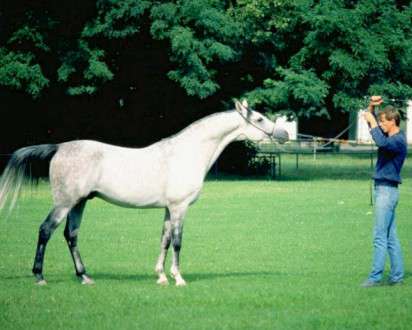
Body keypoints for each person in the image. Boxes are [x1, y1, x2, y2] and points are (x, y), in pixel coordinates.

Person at [361, 95, 407, 287]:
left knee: (379, 236)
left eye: (383, 122)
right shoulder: (391, 136)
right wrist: (371, 107)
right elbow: (375, 130)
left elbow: (380, 142)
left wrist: (372, 122)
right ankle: (397, 276)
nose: (381, 125)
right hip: (385, 191)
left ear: (393, 120)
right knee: (390, 237)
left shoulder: (397, 141)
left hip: (387, 192)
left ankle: (375, 277)